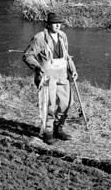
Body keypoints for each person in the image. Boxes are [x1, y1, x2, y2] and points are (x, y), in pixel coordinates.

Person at [22, 12, 78, 145]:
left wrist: (73, 69)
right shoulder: (39, 38)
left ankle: (59, 128)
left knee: (66, 103)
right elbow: (27, 55)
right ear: (48, 24)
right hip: (47, 76)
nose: (58, 25)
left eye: (60, 23)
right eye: (54, 23)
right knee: (49, 105)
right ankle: (47, 132)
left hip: (63, 74)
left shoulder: (63, 36)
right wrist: (37, 67)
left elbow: (67, 56)